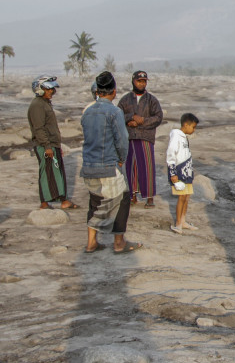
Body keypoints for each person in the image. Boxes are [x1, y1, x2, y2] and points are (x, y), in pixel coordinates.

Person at [81, 71, 140, 254]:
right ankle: (119, 242)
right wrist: (122, 159)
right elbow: (122, 140)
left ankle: (91, 242)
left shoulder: (87, 111)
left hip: (89, 167)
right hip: (108, 166)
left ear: (98, 91)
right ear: (114, 91)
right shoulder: (115, 112)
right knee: (122, 199)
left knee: (95, 202)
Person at [26, 74, 79, 211]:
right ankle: (45, 203)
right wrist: (47, 146)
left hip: (52, 144)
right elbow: (39, 128)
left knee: (56, 173)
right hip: (45, 145)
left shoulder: (45, 103)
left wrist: (56, 146)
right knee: (47, 173)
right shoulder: (37, 105)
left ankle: (63, 200)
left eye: (52, 89)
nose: (51, 92)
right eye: (48, 89)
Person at [118, 70, 164, 208]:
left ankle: (149, 198)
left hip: (145, 137)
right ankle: (132, 195)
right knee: (131, 167)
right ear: (133, 81)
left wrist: (142, 121)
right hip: (130, 137)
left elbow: (158, 117)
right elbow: (117, 115)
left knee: (147, 167)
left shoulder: (152, 99)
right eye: (139, 81)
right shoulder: (125, 99)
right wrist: (131, 117)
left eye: (144, 81)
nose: (142, 83)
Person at [167, 113, 199, 234]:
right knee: (181, 197)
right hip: (179, 171)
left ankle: (183, 221)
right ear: (186, 125)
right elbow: (171, 155)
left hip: (187, 171)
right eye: (193, 127)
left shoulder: (184, 137)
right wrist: (173, 173)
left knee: (186, 196)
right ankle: (178, 223)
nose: (194, 130)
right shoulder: (176, 136)